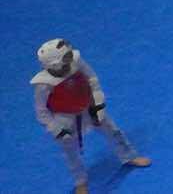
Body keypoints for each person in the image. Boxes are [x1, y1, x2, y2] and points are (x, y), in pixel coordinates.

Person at [33, 38, 152, 188]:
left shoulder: (76, 62)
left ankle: (128, 156)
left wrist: (98, 103)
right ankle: (80, 181)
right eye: (66, 57)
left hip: (89, 105)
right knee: (70, 151)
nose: (70, 59)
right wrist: (57, 129)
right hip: (65, 117)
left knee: (113, 131)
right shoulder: (44, 84)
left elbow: (92, 79)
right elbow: (41, 111)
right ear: (55, 63)